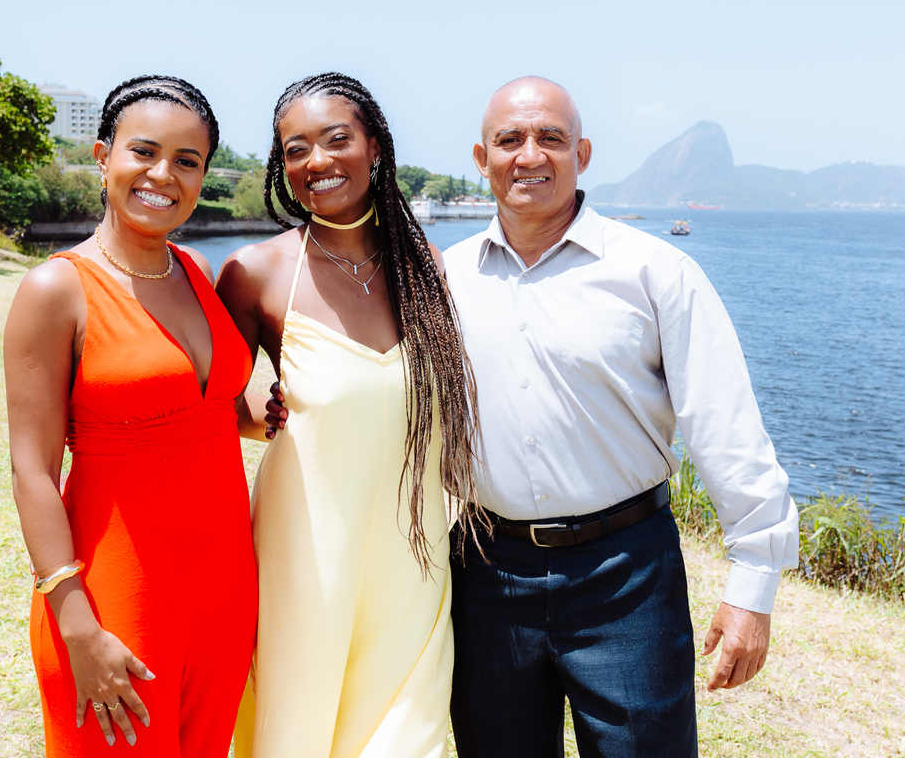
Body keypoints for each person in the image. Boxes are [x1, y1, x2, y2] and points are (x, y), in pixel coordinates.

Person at [437, 77, 801, 757]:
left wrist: (754, 582)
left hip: (626, 572)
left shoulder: (656, 272)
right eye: (509, 140)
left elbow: (725, 427)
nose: (530, 155)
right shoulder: (444, 279)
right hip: (486, 571)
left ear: (584, 152)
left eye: (550, 137)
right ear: (481, 160)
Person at [215, 72, 484, 758]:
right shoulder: (256, 272)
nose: (317, 161)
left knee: (405, 733)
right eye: (295, 149)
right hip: (302, 546)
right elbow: (209, 398)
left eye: (336, 140)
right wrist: (248, 411)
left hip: (412, 545)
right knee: (298, 723)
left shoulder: (426, 264)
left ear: (374, 147)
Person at [4, 75, 263, 756]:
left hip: (225, 590)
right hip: (116, 596)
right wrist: (77, 624)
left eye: (187, 161)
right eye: (143, 151)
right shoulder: (57, 288)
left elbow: (205, 408)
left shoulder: (198, 273)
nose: (162, 175)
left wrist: (263, 414)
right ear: (101, 155)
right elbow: (32, 469)